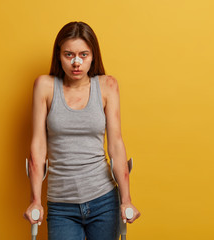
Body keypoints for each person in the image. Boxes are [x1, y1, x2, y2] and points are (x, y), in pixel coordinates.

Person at [24, 21, 141, 240]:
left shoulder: (107, 86)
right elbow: (38, 147)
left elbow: (116, 145)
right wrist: (35, 201)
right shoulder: (45, 86)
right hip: (61, 205)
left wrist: (126, 199)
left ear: (93, 55)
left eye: (83, 55)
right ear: (59, 55)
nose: (76, 62)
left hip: (103, 199)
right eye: (69, 54)